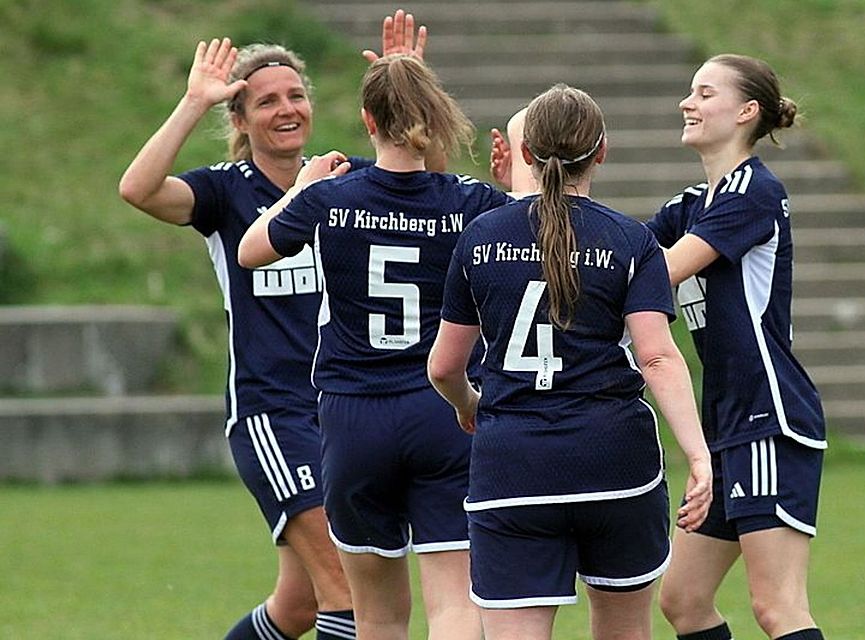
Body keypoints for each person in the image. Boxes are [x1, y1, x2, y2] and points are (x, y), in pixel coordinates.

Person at [118, 12, 429, 639]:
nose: (286, 109)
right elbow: (139, 188)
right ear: (239, 120)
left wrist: (408, 87)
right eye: (265, 102)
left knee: (297, 608)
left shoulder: (339, 183)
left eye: (295, 96)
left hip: (341, 410)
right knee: (346, 589)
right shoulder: (227, 193)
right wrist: (191, 102)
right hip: (273, 414)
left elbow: (426, 176)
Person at [237, 53, 511, 640]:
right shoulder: (466, 201)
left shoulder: (330, 198)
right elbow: (534, 228)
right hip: (443, 410)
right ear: (434, 120)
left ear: (367, 120)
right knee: (456, 606)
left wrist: (300, 189)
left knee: (377, 617)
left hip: (352, 415)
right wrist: (513, 185)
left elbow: (250, 251)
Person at [427, 83, 712, 640]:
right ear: (601, 151)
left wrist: (470, 405)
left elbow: (443, 367)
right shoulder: (632, 241)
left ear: (526, 153)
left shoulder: (480, 237)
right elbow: (656, 357)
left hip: (514, 466)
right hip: (615, 465)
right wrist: (698, 456)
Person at [646, 54, 828, 640]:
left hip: (766, 418)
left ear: (747, 112)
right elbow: (616, 251)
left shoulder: (752, 191)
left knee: (777, 607)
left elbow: (659, 271)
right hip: (726, 424)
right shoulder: (690, 204)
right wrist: (526, 194)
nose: (687, 103)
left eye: (703, 93)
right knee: (683, 599)